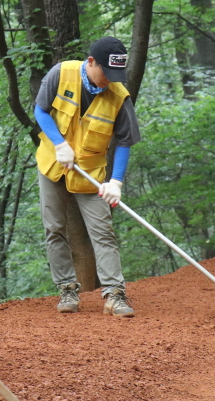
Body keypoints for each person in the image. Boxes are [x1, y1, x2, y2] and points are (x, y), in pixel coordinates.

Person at [33, 36, 141, 317]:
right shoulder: (61, 73)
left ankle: (115, 294)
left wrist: (115, 181)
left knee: (103, 231)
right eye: (106, 72)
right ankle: (67, 288)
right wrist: (59, 143)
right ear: (90, 62)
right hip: (53, 165)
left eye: (116, 75)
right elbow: (40, 110)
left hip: (91, 174)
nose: (109, 80)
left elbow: (125, 141)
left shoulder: (119, 96)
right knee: (54, 228)